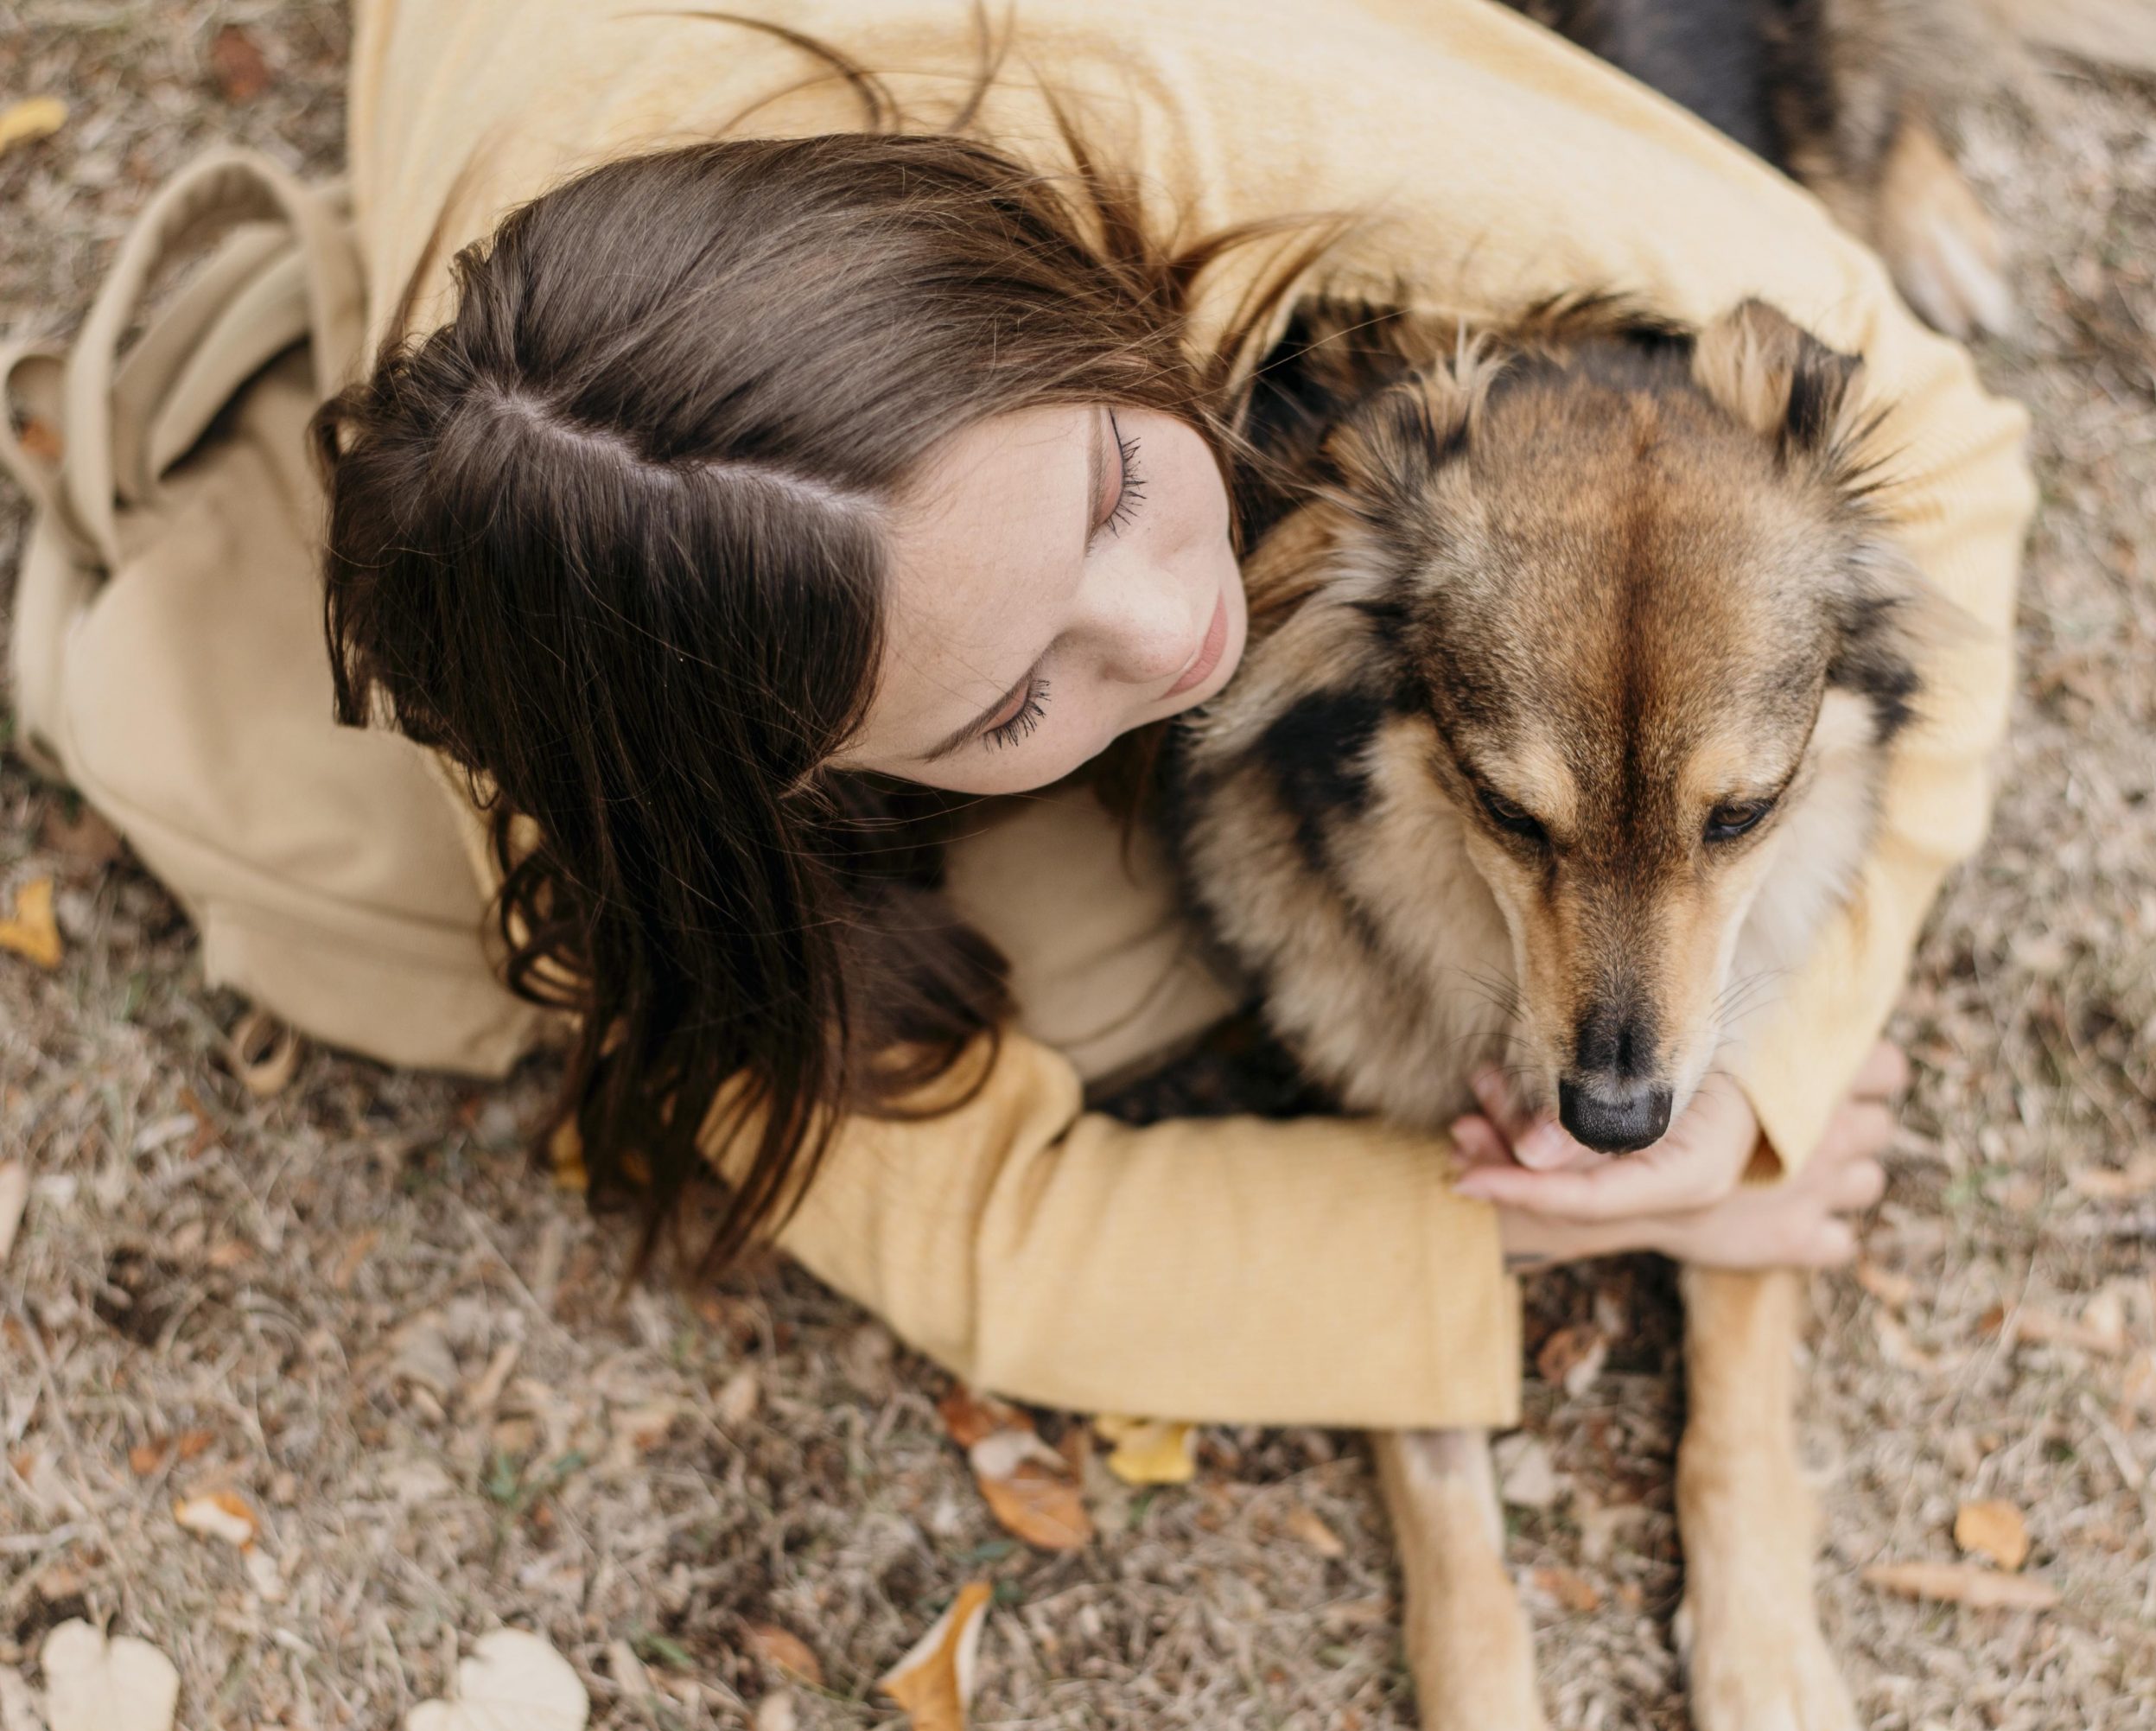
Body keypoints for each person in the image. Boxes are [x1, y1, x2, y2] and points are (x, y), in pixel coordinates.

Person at [317, 0, 2028, 1426]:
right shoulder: (608, 720)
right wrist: (1543, 1218)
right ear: (785, 779)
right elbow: (994, 1239)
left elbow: (1930, 438)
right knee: (1055, 976)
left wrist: (1763, 1079)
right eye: (1010, 697)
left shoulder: (1202, 114)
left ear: (1038, 288)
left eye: (1113, 481)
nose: (1189, 637)